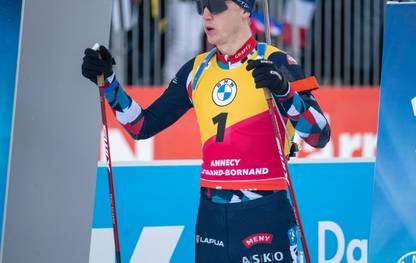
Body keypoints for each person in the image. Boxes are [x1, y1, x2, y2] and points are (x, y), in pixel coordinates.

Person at [82, 0, 330, 262]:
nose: (207, 14)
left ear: (245, 10)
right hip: (211, 217)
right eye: (202, 5)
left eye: (216, 5)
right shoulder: (196, 69)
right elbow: (141, 125)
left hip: (264, 213)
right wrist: (109, 83)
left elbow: (319, 134)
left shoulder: (277, 62)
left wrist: (284, 91)